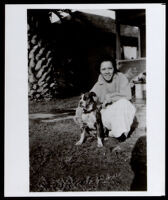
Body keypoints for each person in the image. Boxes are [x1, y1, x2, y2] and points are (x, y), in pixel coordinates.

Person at [91, 56, 136, 141]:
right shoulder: (98, 84)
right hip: (108, 116)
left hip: (122, 110)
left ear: (114, 69)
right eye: (103, 69)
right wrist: (79, 116)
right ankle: (120, 134)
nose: (107, 72)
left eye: (110, 68)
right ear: (100, 71)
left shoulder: (121, 77)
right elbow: (88, 99)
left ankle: (114, 133)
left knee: (124, 103)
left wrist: (110, 98)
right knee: (119, 105)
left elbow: (127, 96)